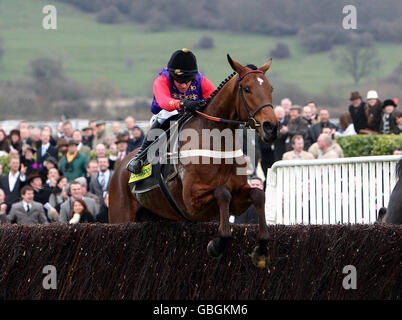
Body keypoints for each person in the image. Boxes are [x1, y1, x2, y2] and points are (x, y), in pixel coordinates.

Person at [127, 48, 216, 174]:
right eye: (179, 81)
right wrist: (182, 103)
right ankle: (141, 156)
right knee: (168, 113)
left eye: (187, 81)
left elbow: (214, 99)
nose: (184, 85)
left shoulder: (202, 81)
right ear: (173, 76)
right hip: (165, 113)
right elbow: (164, 102)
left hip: (192, 116)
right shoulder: (162, 80)